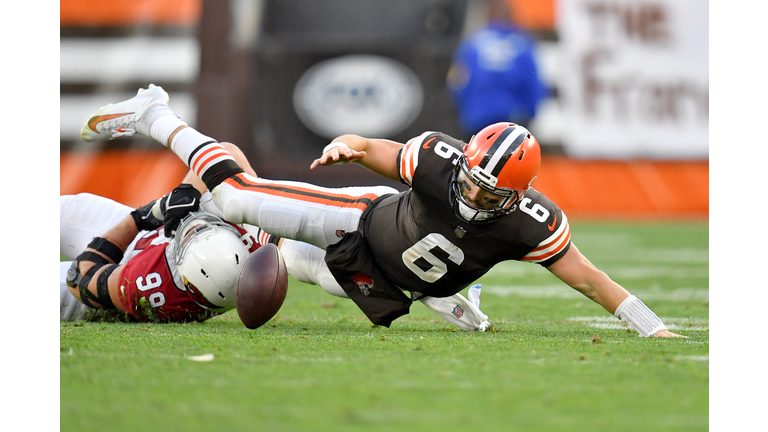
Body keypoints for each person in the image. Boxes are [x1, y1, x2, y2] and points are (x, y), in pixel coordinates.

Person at [79, 84, 683, 337]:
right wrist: (350, 145)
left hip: (382, 280)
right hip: (360, 219)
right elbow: (376, 150)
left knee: (290, 259)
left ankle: (448, 292)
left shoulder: (532, 223)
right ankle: (158, 113)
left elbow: (592, 281)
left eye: (490, 193)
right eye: (471, 180)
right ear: (466, 161)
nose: (473, 195)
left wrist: (650, 327)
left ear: (517, 197)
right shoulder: (441, 161)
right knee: (237, 197)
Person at [60, 144, 492, 330]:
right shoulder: (239, 249)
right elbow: (228, 158)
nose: (197, 222)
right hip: (157, 247)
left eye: (197, 228)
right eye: (204, 228)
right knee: (66, 208)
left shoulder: (150, 288)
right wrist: (188, 193)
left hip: (116, 265)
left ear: (185, 275)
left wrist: (141, 218)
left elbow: (85, 276)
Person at [447, 0, 547, 134]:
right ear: (511, 16)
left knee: (478, 154)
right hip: (514, 119)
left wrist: (465, 112)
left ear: (487, 15)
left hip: (477, 119)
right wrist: (530, 114)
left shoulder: (472, 44)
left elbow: (456, 83)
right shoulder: (523, 44)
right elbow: (535, 84)